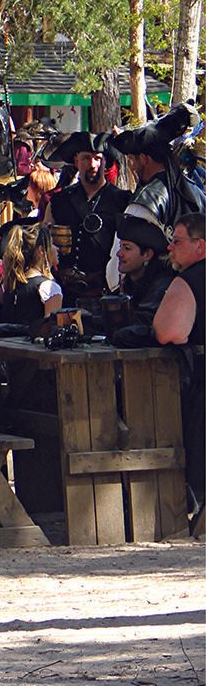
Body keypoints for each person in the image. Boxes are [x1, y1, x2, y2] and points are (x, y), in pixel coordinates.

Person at [152, 213, 205, 512]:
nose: (170, 248)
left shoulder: (189, 281)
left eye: (177, 241)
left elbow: (169, 332)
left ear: (200, 246)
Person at [45, 132, 128, 303]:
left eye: (97, 158)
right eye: (86, 158)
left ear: (105, 162)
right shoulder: (59, 200)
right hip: (64, 290)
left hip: (105, 292)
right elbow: (43, 242)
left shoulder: (122, 200)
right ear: (76, 161)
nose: (92, 164)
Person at [111, 213, 173, 325]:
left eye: (127, 248)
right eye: (121, 247)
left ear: (147, 254)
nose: (119, 253)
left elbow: (143, 321)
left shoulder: (161, 286)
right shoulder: (126, 287)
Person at [0, 222, 63, 326]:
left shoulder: (8, 284)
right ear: (41, 250)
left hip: (4, 342)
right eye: (52, 244)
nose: (57, 248)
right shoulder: (49, 288)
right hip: (31, 342)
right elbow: (50, 330)